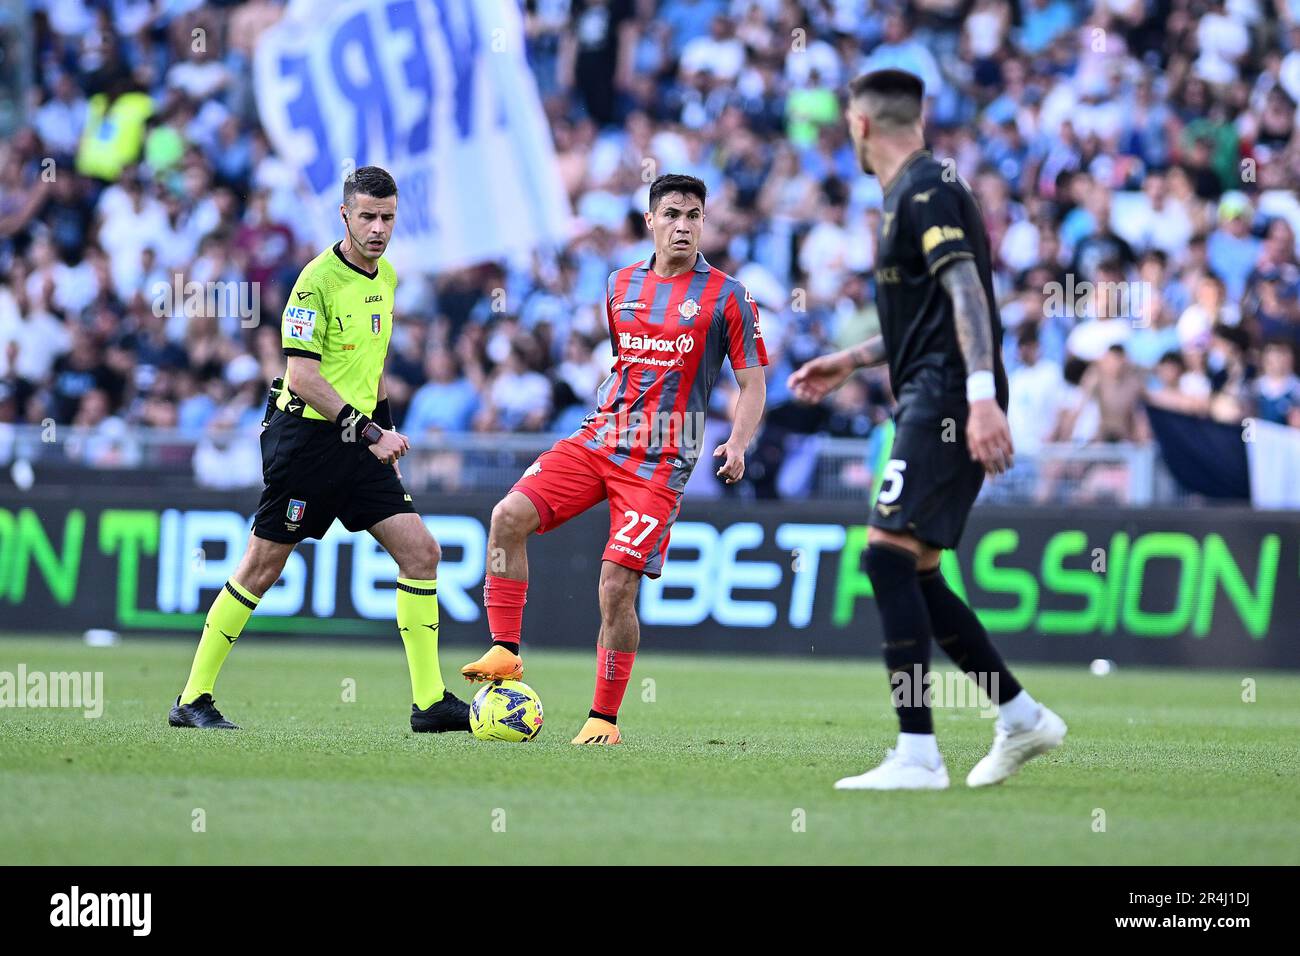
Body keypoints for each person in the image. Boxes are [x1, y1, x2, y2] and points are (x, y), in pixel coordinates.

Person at [788, 70, 1066, 790]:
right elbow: (926, 316)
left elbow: (968, 289)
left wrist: (978, 397)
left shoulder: (925, 189)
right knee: (917, 570)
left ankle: (918, 753)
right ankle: (1021, 716)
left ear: (859, 124)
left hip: (945, 395)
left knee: (885, 556)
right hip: (931, 387)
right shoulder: (907, 194)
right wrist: (851, 360)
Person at [460, 173, 768, 745]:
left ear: (705, 223)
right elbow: (624, 363)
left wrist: (738, 443)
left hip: (663, 457)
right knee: (507, 517)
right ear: (649, 221)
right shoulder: (618, 283)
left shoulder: (729, 295)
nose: (683, 225)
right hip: (602, 438)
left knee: (614, 584)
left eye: (694, 215)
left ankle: (603, 718)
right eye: (672, 214)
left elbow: (752, 384)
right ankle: (504, 652)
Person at [168, 166, 470, 734]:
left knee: (421, 552)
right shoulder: (314, 283)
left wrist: (383, 428)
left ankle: (429, 703)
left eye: (387, 218)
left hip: (357, 441)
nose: (378, 228)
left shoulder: (387, 278)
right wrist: (373, 433)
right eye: (368, 217)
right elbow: (303, 377)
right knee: (262, 567)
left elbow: (371, 369)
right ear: (344, 216)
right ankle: (192, 699)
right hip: (305, 441)